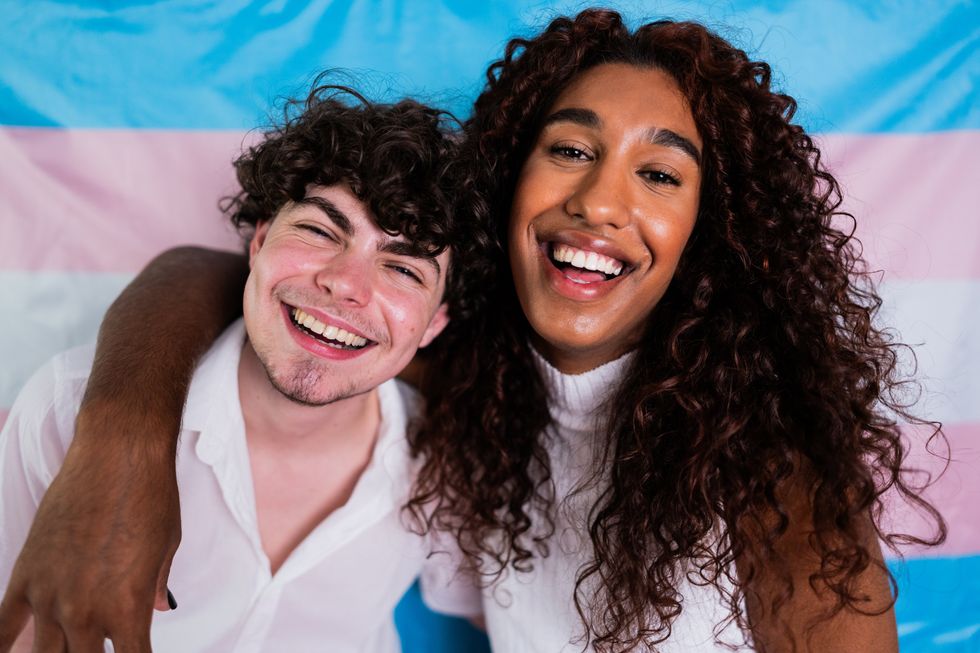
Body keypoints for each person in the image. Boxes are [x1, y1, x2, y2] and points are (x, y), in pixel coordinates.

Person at [0, 9, 945, 653]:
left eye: (660, 175)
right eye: (570, 149)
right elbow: (217, 277)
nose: (600, 200)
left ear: (712, 232)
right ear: (507, 190)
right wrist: (120, 441)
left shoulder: (770, 470)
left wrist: (118, 441)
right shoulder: (462, 392)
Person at [0, 84, 488, 651]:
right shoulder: (65, 408)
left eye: (405, 270)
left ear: (434, 324)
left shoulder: (444, 462)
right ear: (258, 244)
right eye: (318, 231)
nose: (345, 285)